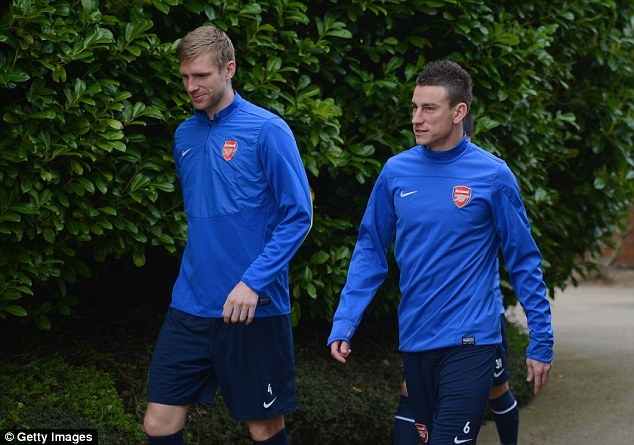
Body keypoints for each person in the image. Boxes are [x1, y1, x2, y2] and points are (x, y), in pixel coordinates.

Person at [328, 60, 553, 444]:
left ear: (458, 112)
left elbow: (523, 260)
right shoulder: (395, 172)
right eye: (414, 107)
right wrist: (345, 320)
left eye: (429, 108)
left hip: (472, 340)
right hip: (416, 338)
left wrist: (542, 339)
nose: (417, 118)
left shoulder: (493, 175)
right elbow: (370, 249)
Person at [143, 25, 313, 445]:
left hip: (254, 308)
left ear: (229, 69)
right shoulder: (184, 135)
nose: (191, 86)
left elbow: (299, 215)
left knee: (264, 427)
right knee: (159, 423)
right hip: (190, 304)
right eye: (185, 77)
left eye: (201, 75)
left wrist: (253, 282)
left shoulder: (267, 129)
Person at [392, 115, 520, 445]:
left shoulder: (488, 177)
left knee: (497, 389)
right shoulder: (406, 175)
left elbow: (521, 254)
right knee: (410, 391)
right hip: (425, 325)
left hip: (480, 321)